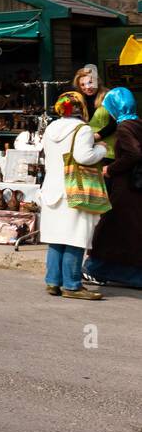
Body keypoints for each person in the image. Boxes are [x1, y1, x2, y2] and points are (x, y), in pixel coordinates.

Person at [39, 92, 108, 300]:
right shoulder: (83, 129)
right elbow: (83, 157)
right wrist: (101, 150)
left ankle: (53, 282)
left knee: (56, 238)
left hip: (52, 188)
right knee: (75, 237)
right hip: (74, 188)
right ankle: (72, 285)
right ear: (81, 108)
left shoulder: (50, 128)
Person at [84, 88, 142, 288]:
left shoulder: (125, 127)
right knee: (128, 230)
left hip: (125, 188)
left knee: (109, 229)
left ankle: (96, 269)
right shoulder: (137, 123)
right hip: (134, 188)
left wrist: (110, 168)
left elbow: (133, 154)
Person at [72, 64, 116, 161]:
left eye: (90, 82)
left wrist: (96, 136)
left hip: (107, 150)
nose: (87, 87)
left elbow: (115, 122)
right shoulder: (79, 101)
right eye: (82, 85)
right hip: (86, 149)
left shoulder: (109, 96)